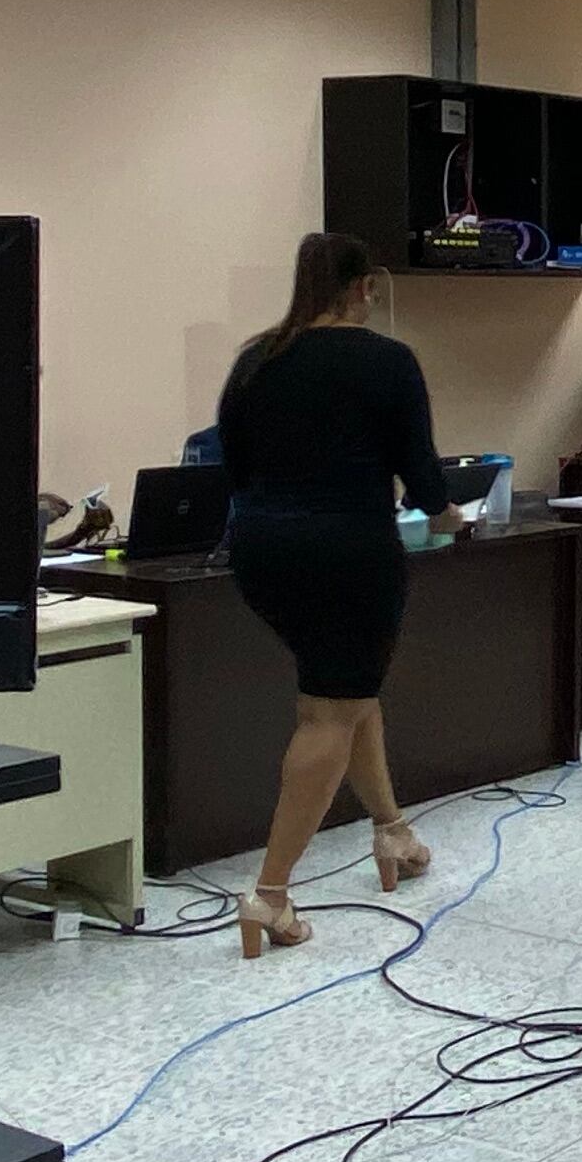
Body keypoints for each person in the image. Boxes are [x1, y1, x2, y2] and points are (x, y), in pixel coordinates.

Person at [210, 235, 466, 958]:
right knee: (329, 710)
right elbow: (420, 473)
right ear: (361, 288)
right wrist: (447, 514)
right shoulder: (387, 360)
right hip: (349, 552)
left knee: (348, 691)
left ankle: (393, 832)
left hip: (261, 552)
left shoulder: (256, 358)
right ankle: (270, 895)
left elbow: (233, 461)